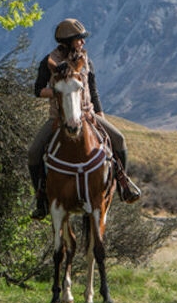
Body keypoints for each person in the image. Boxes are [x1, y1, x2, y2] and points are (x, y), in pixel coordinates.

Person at [28, 18, 141, 219]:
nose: (83, 42)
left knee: (119, 139)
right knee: (34, 152)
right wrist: (58, 92)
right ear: (68, 41)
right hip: (58, 118)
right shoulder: (49, 62)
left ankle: (123, 184)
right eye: (79, 39)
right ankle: (41, 199)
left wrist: (100, 115)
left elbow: (93, 91)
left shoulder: (86, 61)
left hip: (88, 114)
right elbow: (38, 90)